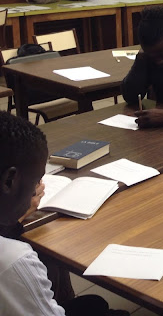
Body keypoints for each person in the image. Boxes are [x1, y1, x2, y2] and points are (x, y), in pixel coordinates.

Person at [0, 112, 128, 315]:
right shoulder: (14, 262)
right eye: (36, 180)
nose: (36, 190)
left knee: (93, 303)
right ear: (10, 180)